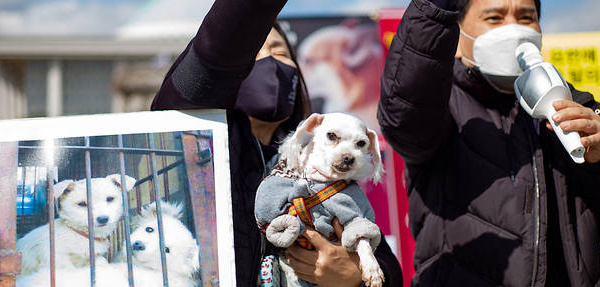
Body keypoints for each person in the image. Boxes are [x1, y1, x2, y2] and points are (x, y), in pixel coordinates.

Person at [150, 0, 402, 286]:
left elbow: (388, 265)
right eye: (254, 52)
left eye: (280, 52)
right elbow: (218, 45)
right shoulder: (193, 134)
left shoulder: (322, 167)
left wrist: (354, 274)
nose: (269, 59)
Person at [377, 0, 600, 286]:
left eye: (526, 17)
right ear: (456, 37)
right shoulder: (440, 107)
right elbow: (402, 115)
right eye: (494, 18)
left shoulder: (578, 108)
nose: (513, 29)